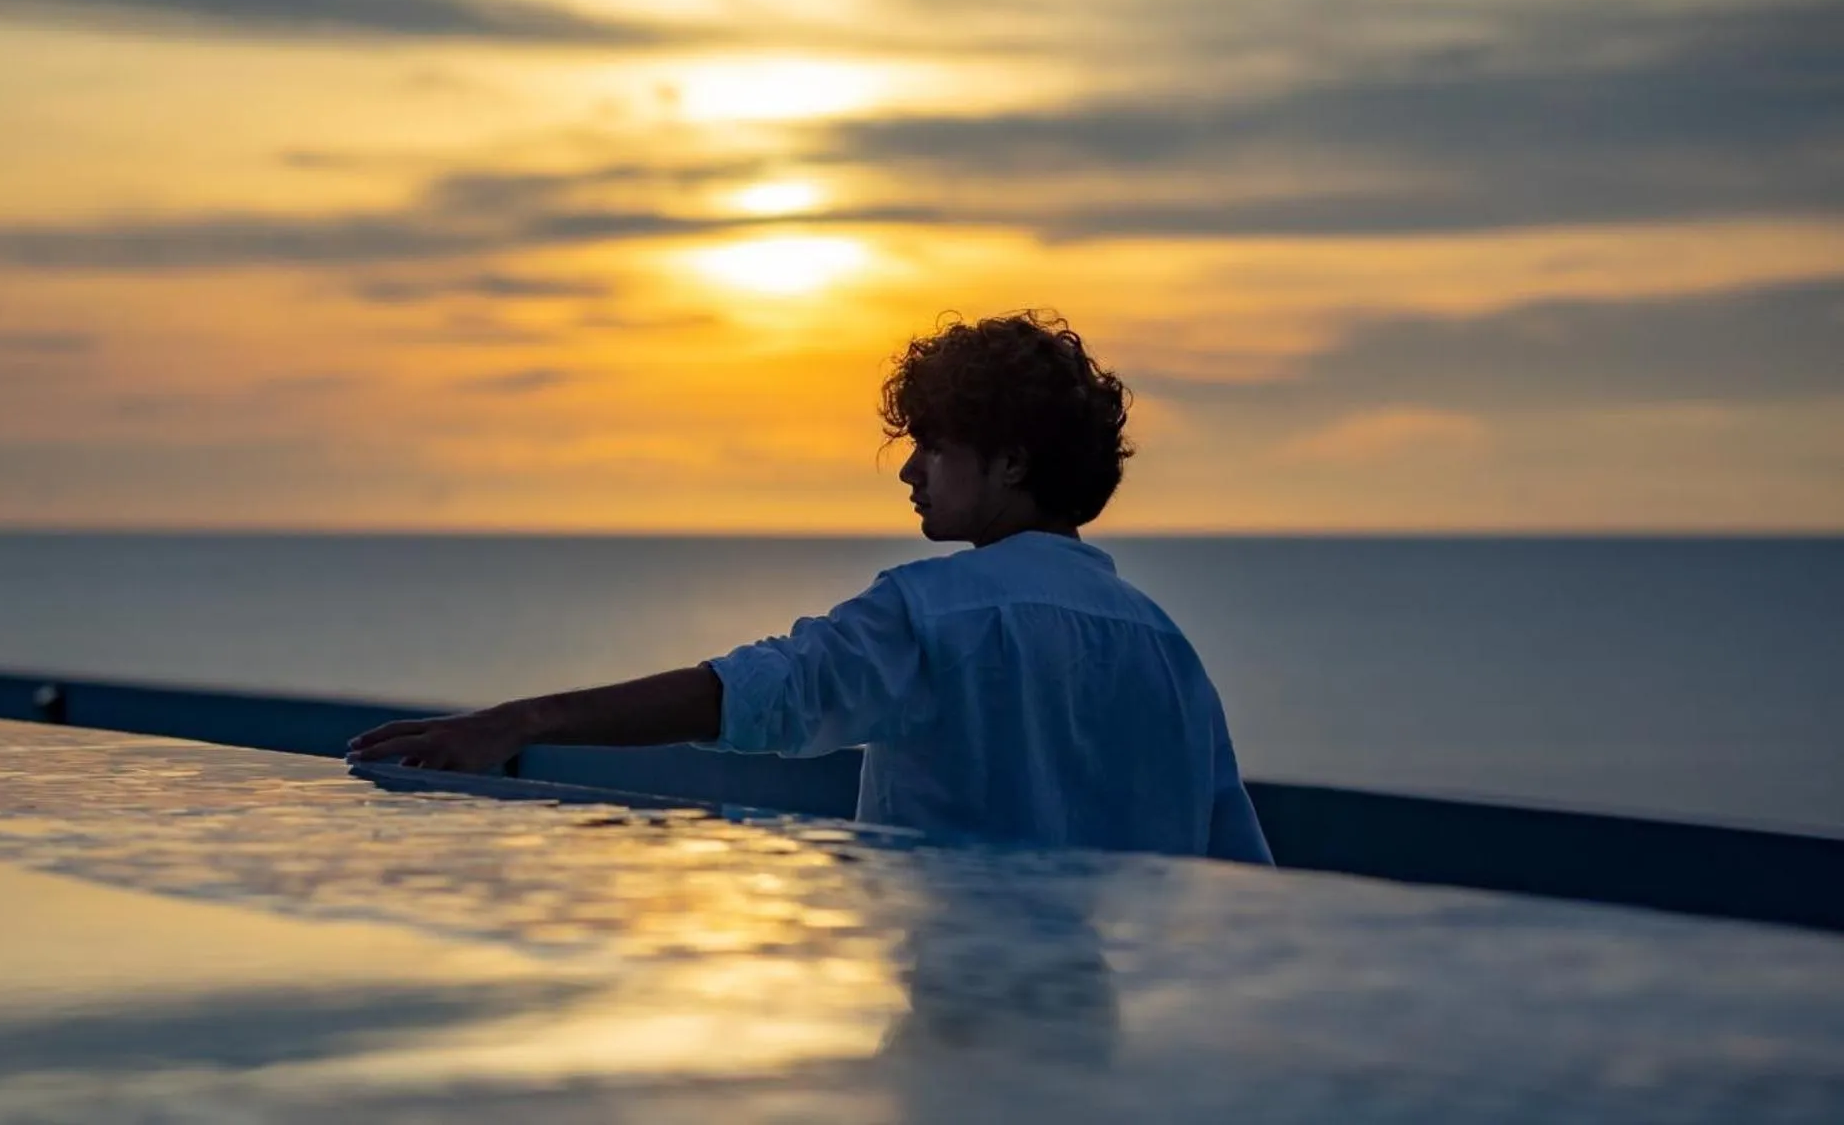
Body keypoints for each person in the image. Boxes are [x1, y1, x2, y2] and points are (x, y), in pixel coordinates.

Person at [348, 311, 1272, 863]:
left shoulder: (935, 611)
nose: (910, 472)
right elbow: (1237, 871)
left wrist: (521, 722)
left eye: (934, 447)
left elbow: (756, 693)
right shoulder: (1163, 644)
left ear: (1010, 461)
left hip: (967, 1036)